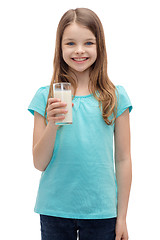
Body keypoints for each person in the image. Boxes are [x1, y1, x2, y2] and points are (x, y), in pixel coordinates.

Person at [28, 7, 133, 240]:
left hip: (102, 212)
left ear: (100, 47)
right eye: (70, 43)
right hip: (54, 209)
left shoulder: (115, 97)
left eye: (88, 43)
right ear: (60, 47)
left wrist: (122, 216)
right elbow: (39, 162)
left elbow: (123, 159)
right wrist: (52, 123)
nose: (79, 51)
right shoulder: (45, 97)